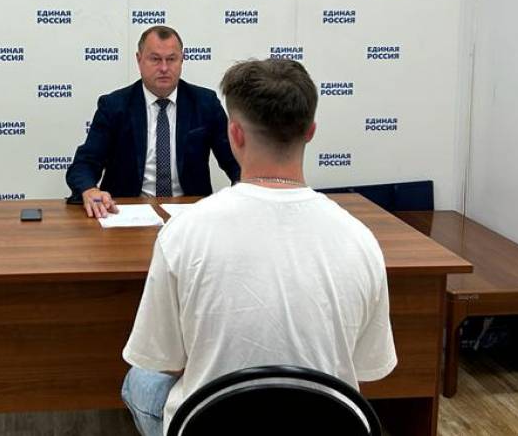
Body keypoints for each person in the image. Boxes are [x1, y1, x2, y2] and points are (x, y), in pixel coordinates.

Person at [120, 58, 396, 436]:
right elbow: (367, 368)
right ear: (311, 131)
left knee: (140, 378)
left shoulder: (183, 234)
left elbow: (162, 359)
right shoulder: (360, 240)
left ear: (235, 134)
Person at [66, 26, 240, 218]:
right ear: (139, 60)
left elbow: (235, 160)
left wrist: (245, 190)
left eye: (171, 59)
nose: (164, 68)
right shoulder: (114, 106)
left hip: (189, 214)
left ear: (182, 60)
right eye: (155, 59)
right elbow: (85, 164)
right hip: (126, 214)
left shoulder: (205, 103)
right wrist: (90, 190)